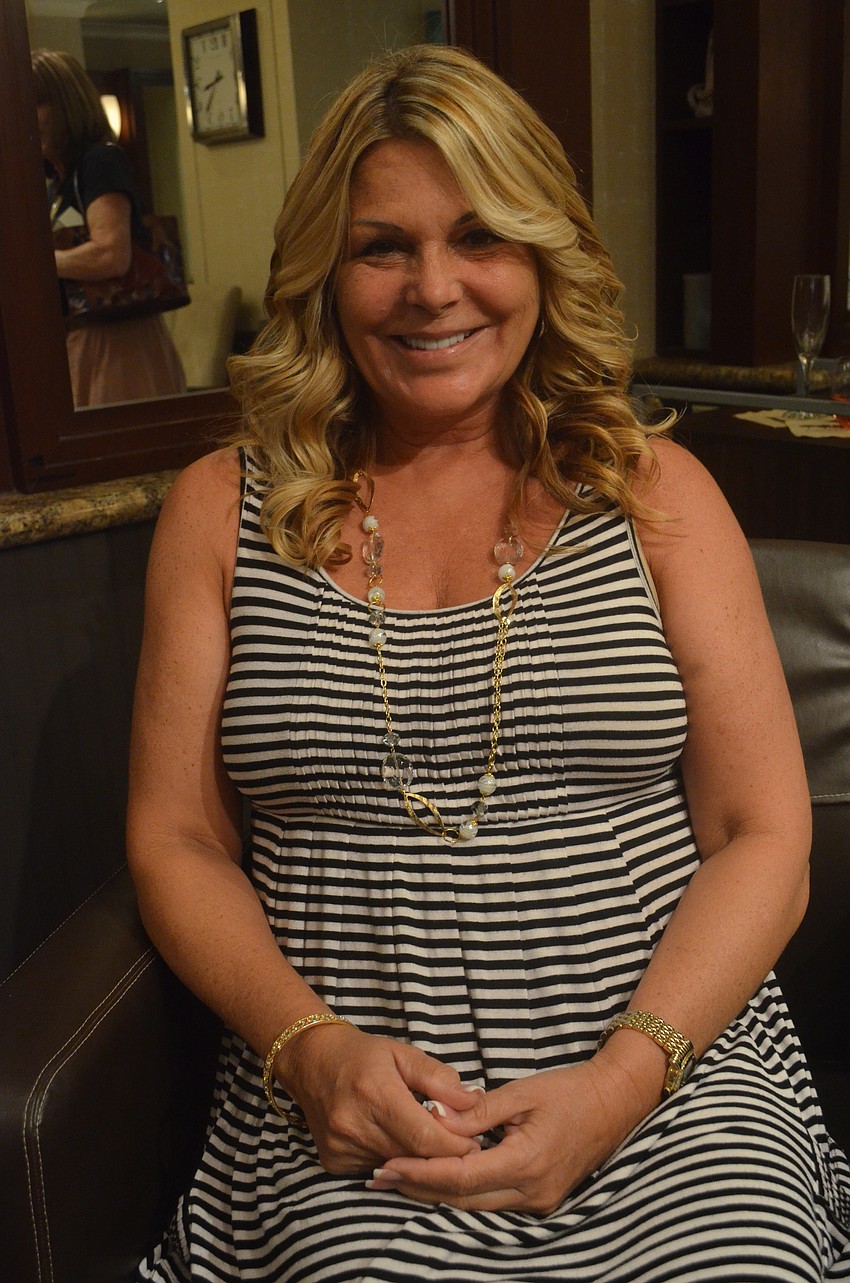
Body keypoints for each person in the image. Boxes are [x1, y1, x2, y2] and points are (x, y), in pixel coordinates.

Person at [128, 44, 850, 1282]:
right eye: (381, 247)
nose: (433, 288)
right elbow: (177, 841)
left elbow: (761, 832)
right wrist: (307, 1047)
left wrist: (621, 1083)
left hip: (667, 1084)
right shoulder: (220, 509)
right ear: (323, 271)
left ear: (542, 257)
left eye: (480, 237)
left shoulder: (657, 495)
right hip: (359, 1121)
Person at [32, 49, 186, 407]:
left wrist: (33, 263)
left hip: (118, 341)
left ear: (65, 105)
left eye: (37, 104)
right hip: (89, 337)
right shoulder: (59, 178)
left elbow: (111, 256)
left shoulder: (99, 160)